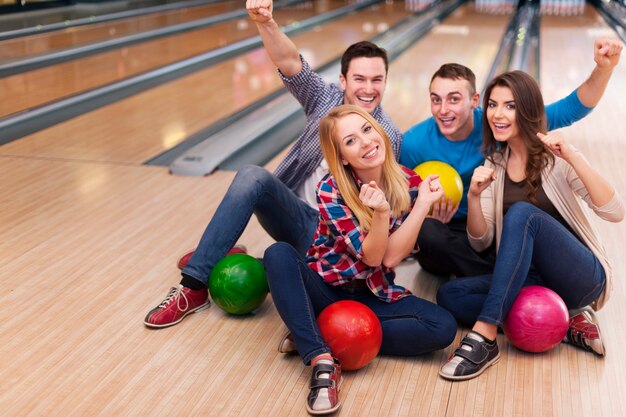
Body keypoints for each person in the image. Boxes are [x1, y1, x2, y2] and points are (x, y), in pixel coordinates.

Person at [143, 0, 402, 328]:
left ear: (386, 81)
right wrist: (265, 21)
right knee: (252, 176)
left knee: (282, 268)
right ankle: (192, 287)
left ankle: (227, 254)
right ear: (342, 80)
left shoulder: (388, 137)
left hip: (333, 242)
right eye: (359, 79)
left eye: (377, 80)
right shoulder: (324, 100)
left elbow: (386, 213)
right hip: (294, 217)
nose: (368, 89)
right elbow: (290, 61)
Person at [263, 105, 457, 414]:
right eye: (351, 141)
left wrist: (422, 206)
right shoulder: (331, 190)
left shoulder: (408, 181)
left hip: (373, 294)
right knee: (277, 255)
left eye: (367, 130)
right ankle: (321, 361)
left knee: (442, 327)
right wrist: (381, 213)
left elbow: (391, 258)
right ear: (342, 157)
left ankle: (314, 331)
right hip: (327, 292)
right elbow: (372, 256)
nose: (365, 142)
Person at [436, 71, 624, 381]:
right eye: (493, 104)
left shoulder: (557, 158)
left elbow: (616, 212)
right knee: (450, 295)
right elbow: (481, 242)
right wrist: (473, 196)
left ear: (527, 110)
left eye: (509, 106)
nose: (497, 114)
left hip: (581, 277)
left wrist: (574, 157)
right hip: (530, 280)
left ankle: (485, 335)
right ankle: (568, 322)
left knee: (523, 214)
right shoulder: (493, 165)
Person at [400, 39, 623, 278]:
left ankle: (491, 281)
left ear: (474, 101)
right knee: (428, 233)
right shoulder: (414, 142)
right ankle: (506, 280)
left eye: (454, 99)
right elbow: (398, 197)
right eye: (436, 99)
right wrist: (421, 212)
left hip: (494, 228)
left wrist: (604, 68)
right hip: (447, 232)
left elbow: (572, 109)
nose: (443, 110)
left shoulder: (499, 122)